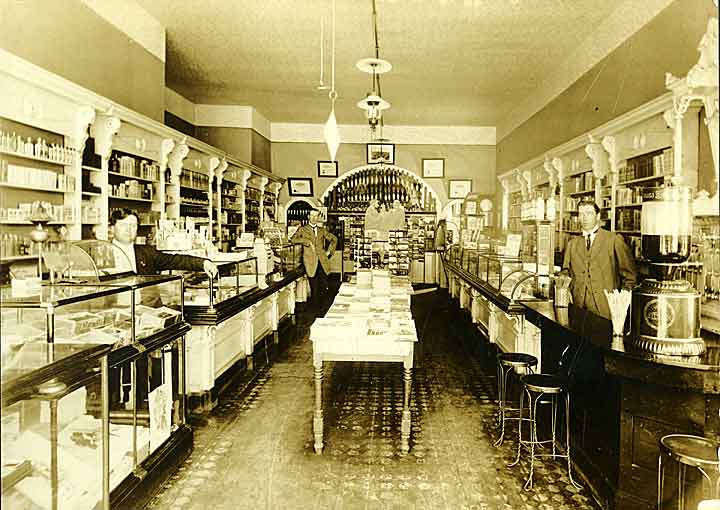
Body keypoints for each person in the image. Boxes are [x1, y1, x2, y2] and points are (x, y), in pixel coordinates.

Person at [562, 200, 636, 320]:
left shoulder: (613, 240)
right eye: (581, 214)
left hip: (605, 309)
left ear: (598, 216)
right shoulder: (572, 244)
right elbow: (565, 271)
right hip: (577, 308)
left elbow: (630, 277)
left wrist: (620, 303)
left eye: (589, 213)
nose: (584, 217)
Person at [110, 208, 218, 278]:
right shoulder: (102, 253)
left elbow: (175, 260)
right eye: (123, 225)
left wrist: (203, 263)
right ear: (112, 228)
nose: (128, 229)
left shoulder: (147, 252)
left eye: (133, 225)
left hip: (144, 309)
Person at [290, 209, 337, 317]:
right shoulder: (302, 229)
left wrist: (329, 251)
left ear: (318, 217)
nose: (314, 218)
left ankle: (323, 312)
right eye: (312, 216)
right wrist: (306, 242)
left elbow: (334, 239)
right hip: (310, 263)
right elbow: (293, 239)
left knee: (324, 287)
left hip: (322, 263)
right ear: (308, 216)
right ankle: (316, 313)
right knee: (314, 288)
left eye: (316, 216)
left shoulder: (322, 230)